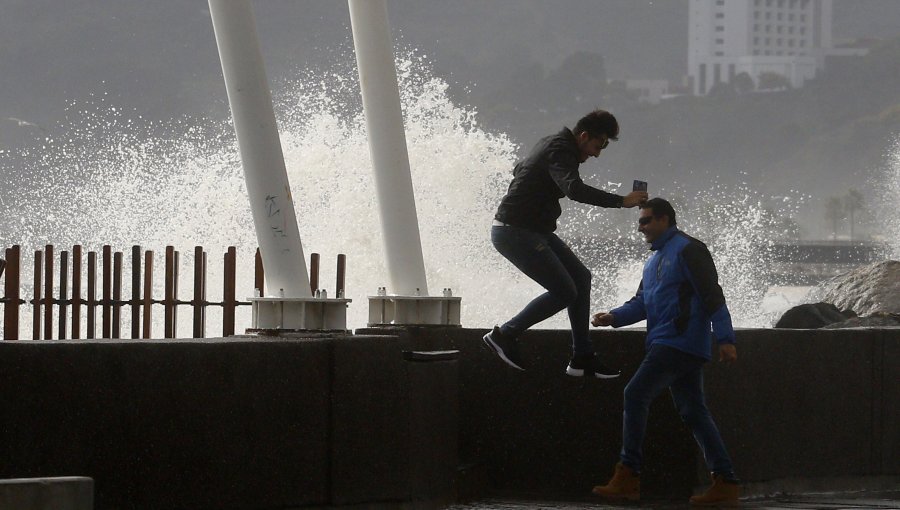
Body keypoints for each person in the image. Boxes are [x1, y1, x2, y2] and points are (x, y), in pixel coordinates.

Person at [590, 198, 740, 506]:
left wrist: (725, 338)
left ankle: (628, 474)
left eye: (646, 221)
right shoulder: (653, 260)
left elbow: (712, 293)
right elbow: (642, 302)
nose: (641, 227)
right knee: (694, 412)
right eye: (640, 222)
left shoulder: (689, 249)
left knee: (635, 394)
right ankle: (725, 482)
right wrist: (614, 317)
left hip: (678, 341)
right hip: (671, 342)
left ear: (665, 220)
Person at [482, 109, 648, 378]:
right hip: (514, 232)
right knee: (564, 291)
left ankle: (582, 357)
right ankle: (504, 335)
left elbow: (520, 169)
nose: (597, 153)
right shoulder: (560, 150)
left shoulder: (551, 145)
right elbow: (574, 189)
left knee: (581, 278)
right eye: (598, 145)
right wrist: (622, 201)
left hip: (535, 231)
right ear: (583, 136)